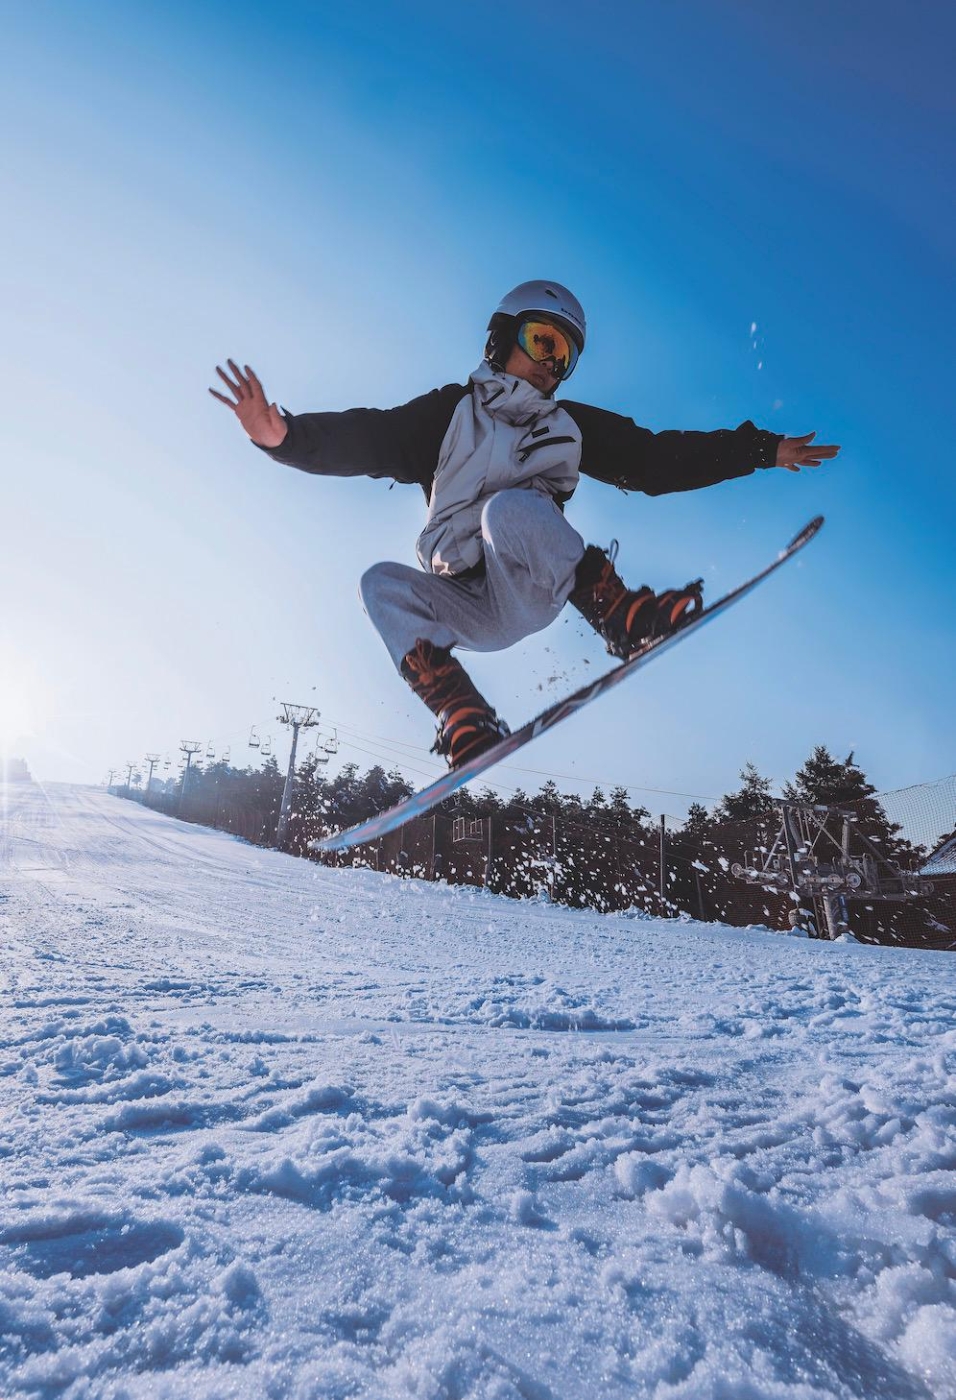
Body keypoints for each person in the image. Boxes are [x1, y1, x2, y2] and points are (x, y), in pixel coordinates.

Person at [211, 280, 839, 768]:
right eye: (543, 343)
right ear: (503, 339)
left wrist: (760, 450)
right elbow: (371, 435)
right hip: (463, 599)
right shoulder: (448, 415)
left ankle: (617, 614)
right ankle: (462, 714)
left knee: (506, 510)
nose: (551, 365)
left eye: (564, 358)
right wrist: (283, 435)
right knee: (379, 581)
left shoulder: (568, 425)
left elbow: (656, 459)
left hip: (532, 583)